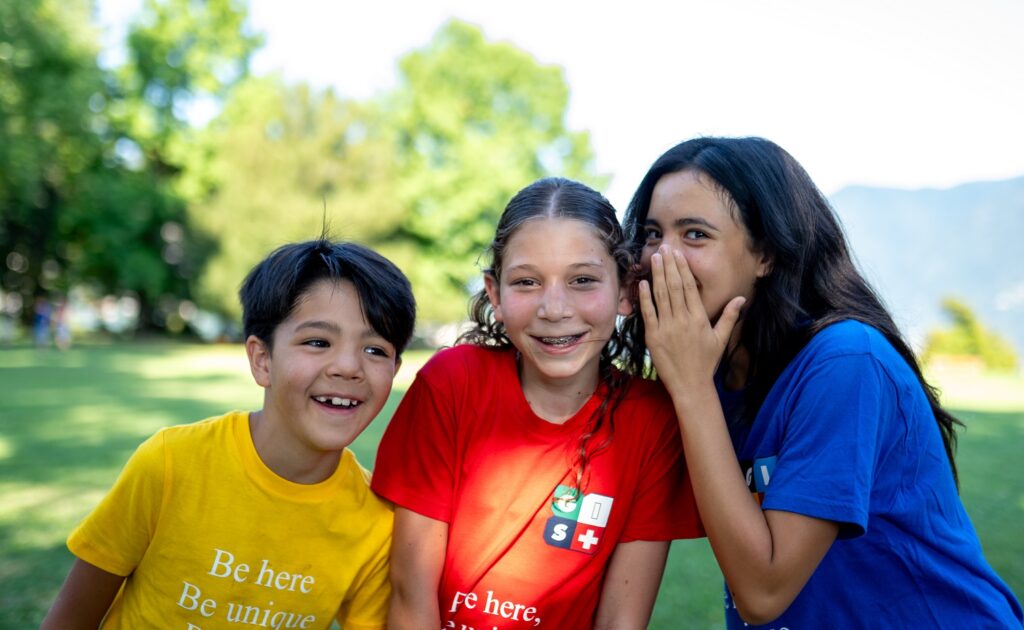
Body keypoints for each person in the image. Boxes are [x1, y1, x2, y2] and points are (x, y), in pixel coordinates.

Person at [627, 136, 1024, 628]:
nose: (662, 257)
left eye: (695, 235)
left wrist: (690, 389)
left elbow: (763, 592)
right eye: (651, 233)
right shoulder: (709, 372)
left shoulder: (845, 362)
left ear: (766, 254)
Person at [371, 177, 702, 629]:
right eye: (527, 282)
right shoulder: (451, 384)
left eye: (582, 280)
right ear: (495, 294)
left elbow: (621, 621)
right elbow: (412, 597)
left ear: (626, 289)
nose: (554, 308)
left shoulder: (651, 420)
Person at [41, 238, 417, 629]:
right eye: (318, 342)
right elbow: (70, 619)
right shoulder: (171, 463)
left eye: (375, 350)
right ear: (262, 360)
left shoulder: (376, 520)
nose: (348, 366)